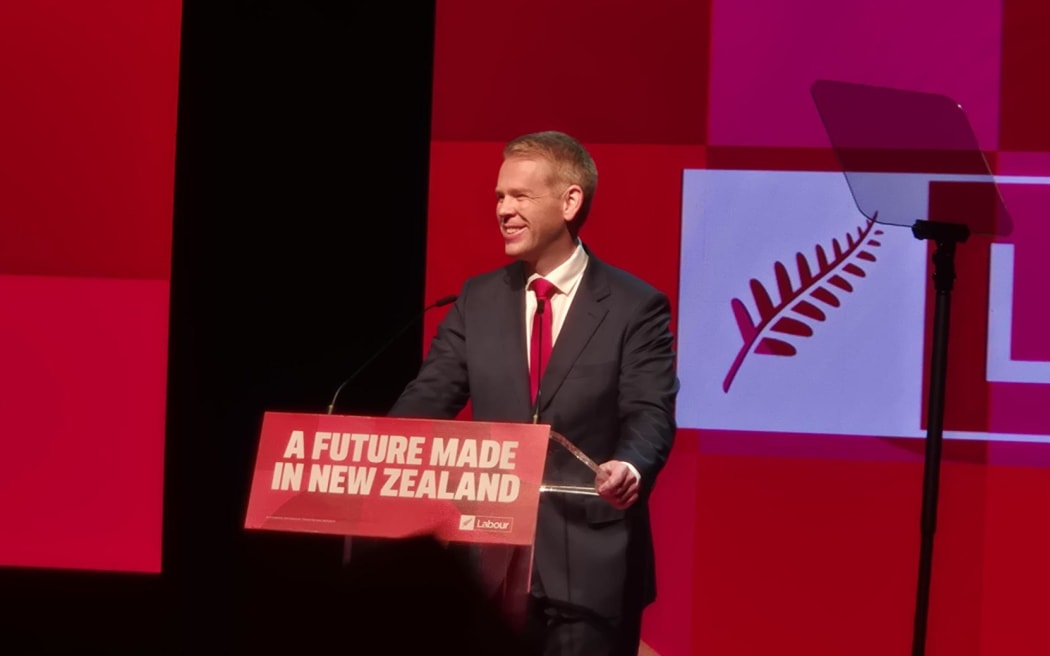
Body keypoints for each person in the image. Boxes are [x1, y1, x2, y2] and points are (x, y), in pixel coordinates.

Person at [388, 130, 678, 655]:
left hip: (591, 567)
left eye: (520, 196)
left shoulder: (636, 306)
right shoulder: (477, 300)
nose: (503, 209)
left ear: (570, 201)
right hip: (489, 568)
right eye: (500, 196)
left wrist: (628, 467)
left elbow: (649, 415)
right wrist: (370, 450)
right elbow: (427, 399)